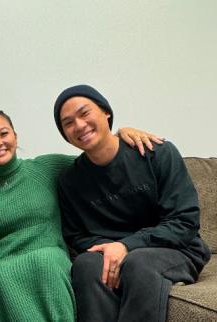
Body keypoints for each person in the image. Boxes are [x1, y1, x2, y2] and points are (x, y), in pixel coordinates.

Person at [0, 109, 160, 322]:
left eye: (3, 134)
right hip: (3, 262)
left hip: (49, 254)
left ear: (15, 136)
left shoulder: (45, 167)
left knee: (44, 261)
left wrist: (119, 134)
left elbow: (99, 157)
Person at [54, 84, 211, 322]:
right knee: (86, 265)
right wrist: (111, 249)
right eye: (68, 123)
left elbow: (185, 221)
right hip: (114, 252)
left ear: (106, 112)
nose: (79, 125)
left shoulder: (157, 153)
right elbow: (77, 236)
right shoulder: (70, 181)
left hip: (178, 249)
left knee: (137, 263)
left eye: (85, 113)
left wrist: (127, 246)